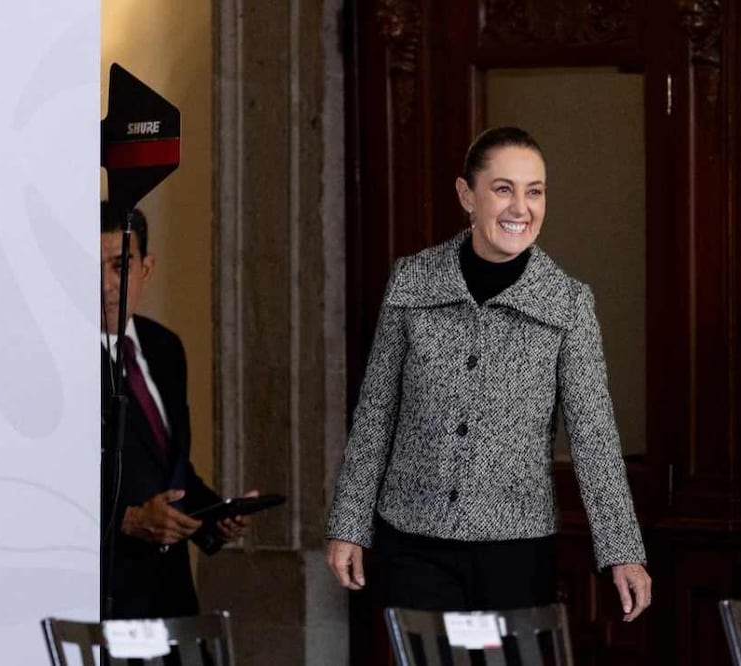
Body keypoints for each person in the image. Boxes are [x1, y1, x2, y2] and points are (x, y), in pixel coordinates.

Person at [325, 127, 652, 619]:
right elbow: (375, 413)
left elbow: (594, 437)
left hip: (516, 550)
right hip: (413, 542)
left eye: (534, 191)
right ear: (467, 196)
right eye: (503, 189)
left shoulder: (568, 303)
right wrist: (349, 523)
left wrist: (622, 550)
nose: (520, 207)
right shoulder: (413, 279)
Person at [100, 202, 255, 619]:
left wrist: (214, 515)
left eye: (120, 266)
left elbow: (170, 467)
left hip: (170, 596)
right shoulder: (56, 360)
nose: (105, 286)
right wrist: (126, 520)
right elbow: (42, 485)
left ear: (146, 268)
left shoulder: (164, 348)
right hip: (101, 595)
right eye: (90, 268)